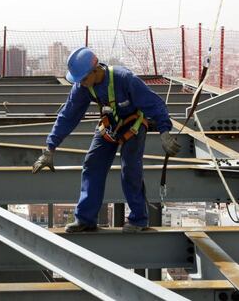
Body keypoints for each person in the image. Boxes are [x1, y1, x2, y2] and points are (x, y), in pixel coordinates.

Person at [32, 47, 180, 233]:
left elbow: (155, 104)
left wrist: (164, 132)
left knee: (130, 169)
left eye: (84, 79)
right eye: (80, 81)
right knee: (92, 165)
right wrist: (50, 147)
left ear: (96, 70)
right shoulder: (83, 86)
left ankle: (138, 220)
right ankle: (85, 219)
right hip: (109, 126)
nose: (82, 84)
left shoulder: (124, 79)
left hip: (134, 125)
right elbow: (68, 115)